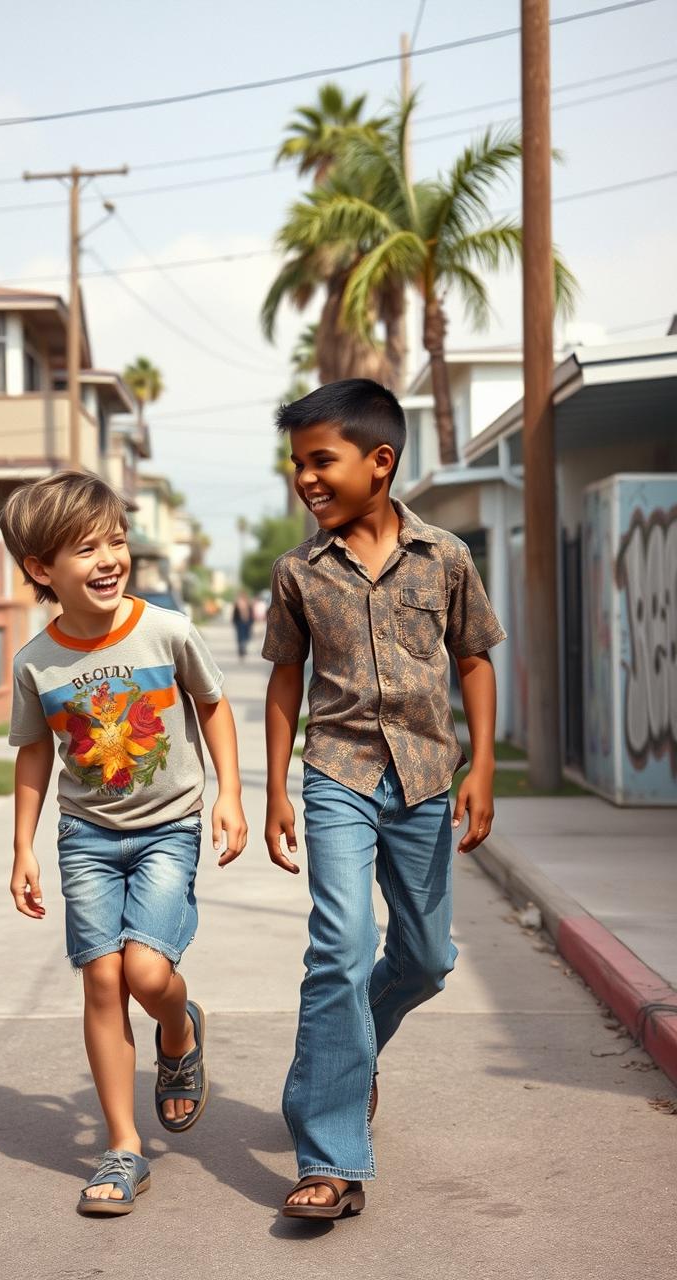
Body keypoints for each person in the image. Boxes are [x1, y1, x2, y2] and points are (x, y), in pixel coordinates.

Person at [262, 379, 505, 1221]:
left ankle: (349, 1053)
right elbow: (283, 678)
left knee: (428, 960)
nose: (306, 478)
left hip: (428, 779)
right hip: (337, 775)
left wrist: (484, 768)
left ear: (381, 461)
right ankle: (329, 1160)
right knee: (339, 944)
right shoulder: (297, 571)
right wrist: (275, 793)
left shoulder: (446, 557)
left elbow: (474, 658)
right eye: (298, 464)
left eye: (320, 461)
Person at [0, 470, 247, 1217]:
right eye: (85, 548)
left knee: (145, 972)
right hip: (86, 837)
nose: (109, 559)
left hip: (169, 828)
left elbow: (213, 706)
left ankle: (178, 1026)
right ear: (43, 570)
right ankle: (122, 1147)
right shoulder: (35, 662)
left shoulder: (166, 629)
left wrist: (231, 794)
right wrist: (23, 846)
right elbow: (35, 752)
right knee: (101, 982)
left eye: (116, 541)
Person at [231, 590, 253, 659]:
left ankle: (243, 648)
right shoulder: (237, 603)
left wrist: (251, 621)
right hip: (239, 622)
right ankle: (241, 649)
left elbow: (251, 612)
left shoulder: (248, 603)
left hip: (247, 622)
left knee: (247, 636)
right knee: (240, 636)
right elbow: (234, 613)